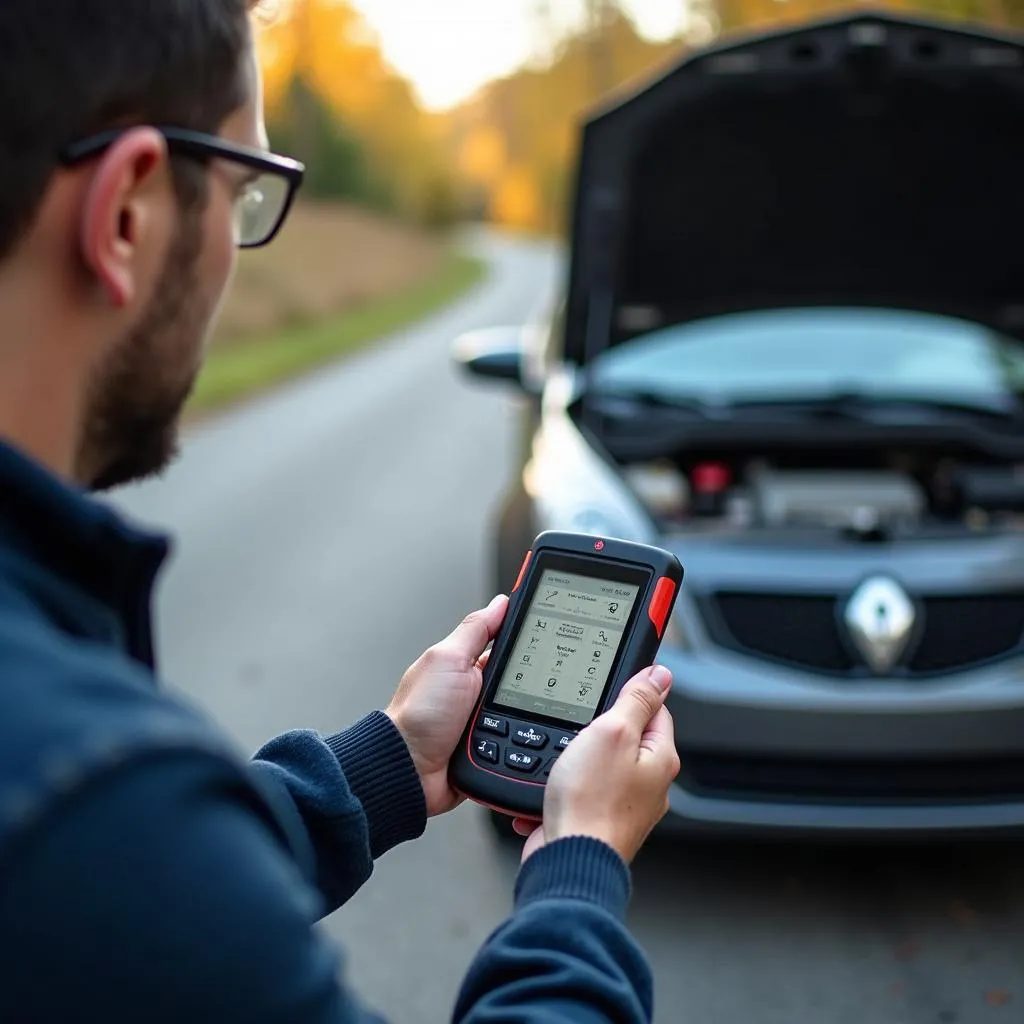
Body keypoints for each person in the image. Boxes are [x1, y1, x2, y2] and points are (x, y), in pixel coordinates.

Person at [0, 2, 681, 1021]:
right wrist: (577, 871)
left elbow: (142, 905)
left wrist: (387, 764)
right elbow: (124, 864)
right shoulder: (88, 795)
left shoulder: (87, 821)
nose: (241, 251)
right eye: (242, 196)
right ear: (127, 213)